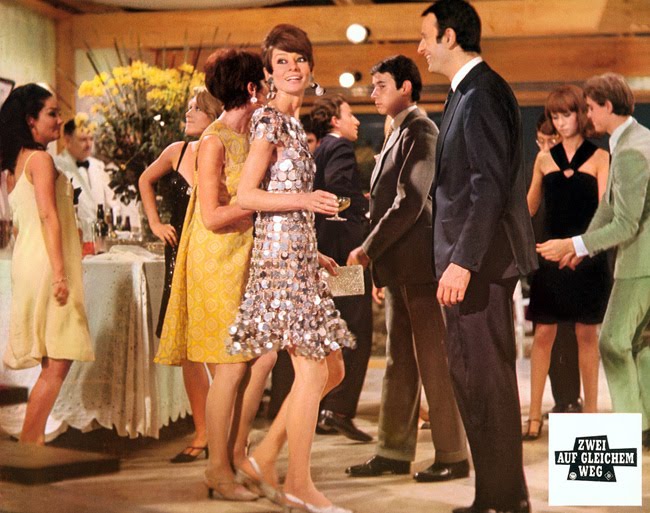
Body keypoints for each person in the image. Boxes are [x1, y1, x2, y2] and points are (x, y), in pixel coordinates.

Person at [229, 24, 355, 513]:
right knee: (313, 370)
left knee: (332, 369)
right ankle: (298, 482)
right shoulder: (268, 121)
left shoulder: (294, 126)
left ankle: (263, 456)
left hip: (299, 255)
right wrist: (306, 200)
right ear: (268, 72)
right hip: (278, 262)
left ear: (311, 67)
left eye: (299, 59)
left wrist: (312, 250)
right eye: (282, 61)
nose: (293, 68)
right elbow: (246, 196)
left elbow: (285, 200)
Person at [418, 2, 538, 512]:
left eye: (425, 37)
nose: (421, 48)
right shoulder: (466, 92)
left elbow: (487, 186)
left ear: (449, 36)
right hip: (473, 263)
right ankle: (497, 496)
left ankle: (504, 501)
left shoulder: (482, 92)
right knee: (474, 381)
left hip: (479, 266)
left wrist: (462, 262)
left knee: (485, 382)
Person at [346, 55, 468, 482]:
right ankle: (393, 451)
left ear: (406, 88)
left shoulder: (421, 129)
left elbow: (410, 201)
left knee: (433, 358)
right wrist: (380, 263)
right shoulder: (397, 131)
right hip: (399, 266)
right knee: (399, 360)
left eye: (381, 85)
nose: (373, 93)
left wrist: (368, 250)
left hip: (419, 266)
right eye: (373, 86)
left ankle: (453, 454)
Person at [154, 52, 268, 467]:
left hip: (243, 257)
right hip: (215, 259)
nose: (268, 90)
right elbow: (212, 216)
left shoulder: (251, 134)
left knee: (254, 362)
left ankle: (234, 457)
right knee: (232, 365)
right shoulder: (213, 140)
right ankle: (221, 463)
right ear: (251, 88)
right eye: (264, 82)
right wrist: (262, 204)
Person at [537, 72, 650, 451]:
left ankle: (632, 428)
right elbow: (608, 208)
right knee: (638, 343)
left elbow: (626, 223)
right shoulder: (631, 140)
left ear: (607, 106)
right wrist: (578, 248)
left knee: (613, 342)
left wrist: (574, 244)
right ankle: (644, 425)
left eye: (589, 108)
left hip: (641, 264)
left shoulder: (631, 150)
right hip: (640, 262)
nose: (587, 115)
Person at [0, 84, 94, 444]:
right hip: (46, 264)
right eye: (52, 113)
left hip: (29, 260)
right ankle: (31, 441)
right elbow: (47, 216)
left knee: (53, 358)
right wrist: (59, 274)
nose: (59, 120)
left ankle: (33, 439)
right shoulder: (40, 160)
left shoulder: (15, 164)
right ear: (30, 120)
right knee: (58, 360)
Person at [524, 85, 611, 440]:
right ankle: (533, 416)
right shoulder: (544, 159)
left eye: (567, 114)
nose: (560, 122)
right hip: (550, 255)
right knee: (543, 334)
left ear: (581, 114)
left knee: (586, 334)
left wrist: (581, 249)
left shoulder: (600, 157)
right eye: (555, 116)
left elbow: (605, 211)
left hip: (587, 256)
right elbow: (529, 208)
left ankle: (590, 414)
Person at [310, 94, 373, 443]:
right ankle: (339, 409)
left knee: (335, 329)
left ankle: (324, 407)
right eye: (351, 114)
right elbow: (336, 190)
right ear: (335, 120)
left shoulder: (320, 148)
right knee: (354, 329)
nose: (357, 121)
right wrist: (360, 209)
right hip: (345, 255)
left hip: (326, 252)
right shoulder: (340, 148)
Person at [138, 87, 220, 340]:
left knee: (208, 326)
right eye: (188, 107)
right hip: (177, 245)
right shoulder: (177, 151)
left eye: (197, 108)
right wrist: (156, 224)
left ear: (214, 114)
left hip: (212, 249)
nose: (188, 113)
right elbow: (145, 180)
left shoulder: (227, 152)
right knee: (178, 330)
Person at [532, 115, 583, 417]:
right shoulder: (538, 167)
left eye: (552, 141)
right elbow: (528, 211)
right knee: (545, 333)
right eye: (541, 141)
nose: (546, 146)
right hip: (542, 258)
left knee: (569, 333)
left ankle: (570, 397)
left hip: (571, 257)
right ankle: (556, 400)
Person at [54, 115, 139, 241]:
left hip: (99, 236)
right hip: (72, 236)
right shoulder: (57, 165)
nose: (88, 144)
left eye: (91, 139)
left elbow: (111, 200)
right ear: (67, 140)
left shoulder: (98, 165)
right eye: (83, 140)